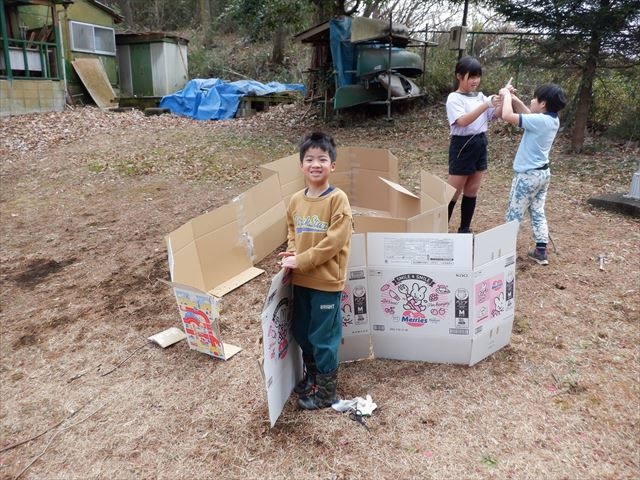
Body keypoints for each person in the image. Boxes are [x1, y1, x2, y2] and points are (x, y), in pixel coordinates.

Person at [278, 131, 353, 410]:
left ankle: (327, 392)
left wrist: (304, 259)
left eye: (322, 159)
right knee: (302, 330)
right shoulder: (297, 200)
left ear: (332, 165)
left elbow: (335, 242)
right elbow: (292, 230)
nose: (315, 164)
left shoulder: (338, 200)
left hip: (325, 282)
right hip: (301, 280)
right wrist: (293, 251)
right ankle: (313, 377)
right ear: (301, 165)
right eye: (309, 159)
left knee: (323, 337)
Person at [499, 83, 567, 265]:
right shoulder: (551, 120)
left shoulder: (540, 121)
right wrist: (513, 99)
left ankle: (504, 253)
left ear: (543, 104)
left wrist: (505, 95)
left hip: (527, 177)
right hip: (543, 176)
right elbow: (529, 115)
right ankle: (541, 250)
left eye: (535, 98)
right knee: (537, 211)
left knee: (514, 213)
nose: (532, 100)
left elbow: (506, 115)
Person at [445, 56, 500, 233]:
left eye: (478, 76)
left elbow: (494, 115)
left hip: (480, 142)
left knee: (472, 189)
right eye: (472, 76)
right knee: (453, 191)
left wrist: (503, 99)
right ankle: (439, 228)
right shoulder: (454, 98)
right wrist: (485, 104)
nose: (475, 81)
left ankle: (465, 229)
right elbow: (462, 121)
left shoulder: (480, 97)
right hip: (462, 145)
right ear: (459, 76)